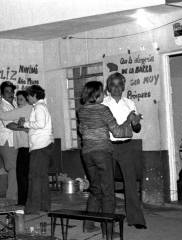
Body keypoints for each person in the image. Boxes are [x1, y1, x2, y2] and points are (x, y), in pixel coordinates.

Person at [78, 81, 135, 237]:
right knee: (108, 193)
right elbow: (117, 132)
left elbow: (82, 130)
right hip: (102, 152)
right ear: (96, 95)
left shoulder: (81, 111)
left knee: (96, 189)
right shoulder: (104, 109)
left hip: (87, 153)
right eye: (102, 92)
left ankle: (88, 225)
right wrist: (129, 121)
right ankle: (108, 232)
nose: (104, 95)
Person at [102, 72, 147, 229]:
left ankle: (136, 219)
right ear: (108, 87)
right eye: (112, 85)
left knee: (131, 183)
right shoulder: (103, 103)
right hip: (108, 146)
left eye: (119, 84)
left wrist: (135, 123)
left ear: (123, 86)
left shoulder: (130, 103)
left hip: (127, 146)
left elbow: (137, 128)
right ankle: (108, 221)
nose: (116, 88)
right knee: (107, 184)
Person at [18, 85, 54, 214]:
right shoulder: (40, 107)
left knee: (34, 177)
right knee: (42, 177)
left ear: (34, 95)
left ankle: (33, 208)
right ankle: (44, 206)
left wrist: (25, 124)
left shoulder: (39, 107)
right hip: (43, 146)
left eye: (28, 95)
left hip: (40, 147)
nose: (27, 98)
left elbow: (40, 124)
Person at [0, 90, 33, 205]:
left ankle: (17, 199)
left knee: (20, 173)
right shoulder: (19, 109)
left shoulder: (25, 109)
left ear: (27, 100)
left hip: (26, 145)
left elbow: (5, 117)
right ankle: (19, 199)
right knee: (19, 172)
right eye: (17, 99)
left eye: (21, 99)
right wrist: (24, 127)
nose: (17, 100)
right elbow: (9, 123)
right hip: (19, 145)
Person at [0, 81, 18, 201]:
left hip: (14, 141)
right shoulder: (1, 106)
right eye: (7, 92)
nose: (10, 94)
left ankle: (15, 195)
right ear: (2, 94)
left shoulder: (13, 104)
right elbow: (9, 125)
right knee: (13, 168)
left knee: (15, 168)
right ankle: (11, 198)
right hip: (6, 141)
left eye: (12, 91)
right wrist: (26, 128)